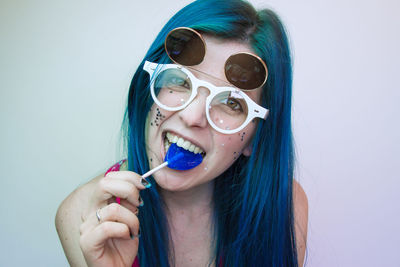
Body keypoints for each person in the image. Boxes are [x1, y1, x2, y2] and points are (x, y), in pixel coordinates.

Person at [55, 0, 308, 266]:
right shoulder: (83, 215)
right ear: (148, 91)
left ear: (256, 138)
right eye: (180, 80)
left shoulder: (285, 207)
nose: (192, 116)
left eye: (232, 103)